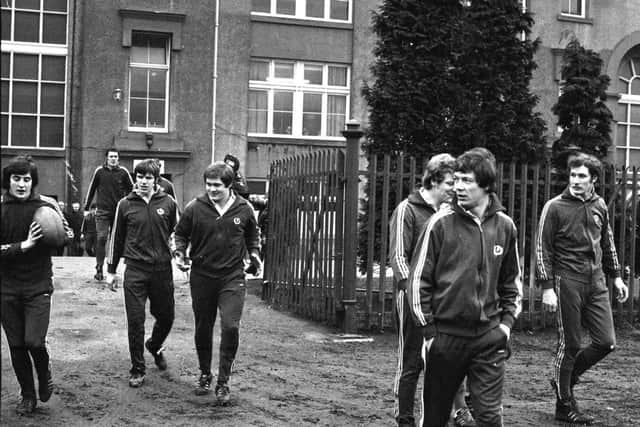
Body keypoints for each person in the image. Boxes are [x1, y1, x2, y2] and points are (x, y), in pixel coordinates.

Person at [407, 149, 522, 427]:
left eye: (467, 180)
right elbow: (417, 282)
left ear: (486, 185)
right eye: (456, 179)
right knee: (435, 418)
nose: (458, 186)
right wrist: (430, 333)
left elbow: (512, 283)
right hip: (445, 338)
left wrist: (505, 326)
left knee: (490, 418)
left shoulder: (505, 226)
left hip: (489, 338)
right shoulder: (440, 223)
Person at [536, 152, 629, 425]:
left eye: (581, 176)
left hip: (596, 281)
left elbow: (607, 241)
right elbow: (543, 249)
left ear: (594, 180)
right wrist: (546, 287)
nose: (575, 181)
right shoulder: (554, 207)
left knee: (606, 341)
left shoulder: (600, 204)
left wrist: (616, 277)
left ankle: (563, 379)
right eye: (572, 175)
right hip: (568, 280)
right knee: (571, 343)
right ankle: (564, 405)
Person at [389, 154, 476, 427]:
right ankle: (404, 419)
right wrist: (415, 293)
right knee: (412, 362)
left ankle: (456, 412)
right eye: (450, 182)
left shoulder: (450, 213)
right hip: (413, 299)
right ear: (435, 180)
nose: (455, 187)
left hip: (443, 301)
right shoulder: (408, 210)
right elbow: (399, 258)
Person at [174, 161, 261, 405]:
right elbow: (179, 234)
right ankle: (204, 373)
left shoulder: (244, 209)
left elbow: (253, 235)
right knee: (204, 325)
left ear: (230, 185)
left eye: (217, 186)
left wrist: (254, 255)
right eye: (208, 185)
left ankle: (223, 382)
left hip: (232, 277)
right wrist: (179, 254)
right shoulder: (195, 207)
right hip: (202, 276)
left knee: (231, 326)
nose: (211, 190)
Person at [1, 155, 72, 414]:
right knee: (17, 345)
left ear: (34, 182)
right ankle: (28, 395)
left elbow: (69, 235)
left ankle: (44, 373)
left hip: (38, 285)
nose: (21, 184)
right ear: (8, 181)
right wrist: (24, 245)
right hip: (6, 288)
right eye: (16, 178)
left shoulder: (47, 205)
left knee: (34, 341)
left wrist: (52, 236)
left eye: (27, 179)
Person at [105, 159, 179, 387]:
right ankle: (137, 368)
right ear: (135, 179)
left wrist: (180, 254)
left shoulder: (169, 203)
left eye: (148, 178)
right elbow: (116, 237)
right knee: (136, 321)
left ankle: (154, 346)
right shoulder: (125, 205)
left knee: (166, 317)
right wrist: (111, 270)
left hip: (162, 270)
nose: (143, 182)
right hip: (135, 270)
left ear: (157, 181)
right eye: (139, 177)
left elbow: (177, 233)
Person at [83, 148, 133, 280]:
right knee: (102, 238)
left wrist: (131, 206)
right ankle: (99, 267)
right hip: (102, 211)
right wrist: (86, 208)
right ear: (106, 158)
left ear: (118, 159)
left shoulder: (123, 172)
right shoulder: (99, 171)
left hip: (119, 211)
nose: (113, 159)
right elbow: (91, 189)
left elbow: (132, 190)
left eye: (115, 156)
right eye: (111, 156)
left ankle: (113, 268)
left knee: (118, 240)